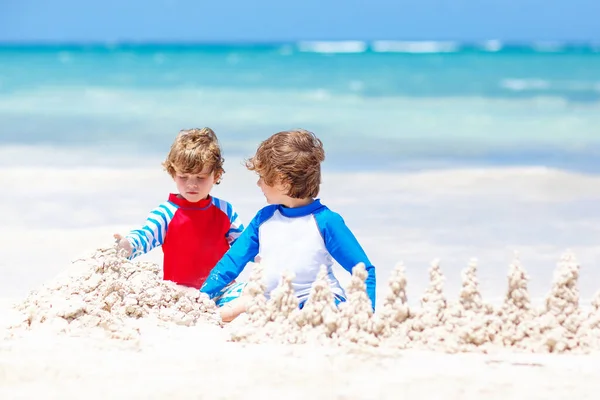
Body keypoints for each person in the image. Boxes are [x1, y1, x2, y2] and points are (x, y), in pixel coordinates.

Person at [200, 129, 376, 322]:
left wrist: (364, 314)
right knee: (228, 311)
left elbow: (363, 270)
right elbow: (233, 262)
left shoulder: (326, 221)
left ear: (283, 182)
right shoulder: (264, 218)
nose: (258, 184)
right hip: (271, 299)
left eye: (262, 177)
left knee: (316, 313)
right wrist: (204, 294)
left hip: (317, 298)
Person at [114, 127, 244, 293]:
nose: (192, 184)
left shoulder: (225, 210)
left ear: (216, 175)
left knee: (249, 295)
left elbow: (244, 246)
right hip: (180, 292)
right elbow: (145, 236)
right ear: (173, 173)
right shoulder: (165, 213)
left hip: (222, 289)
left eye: (200, 177)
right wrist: (126, 245)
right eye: (183, 177)